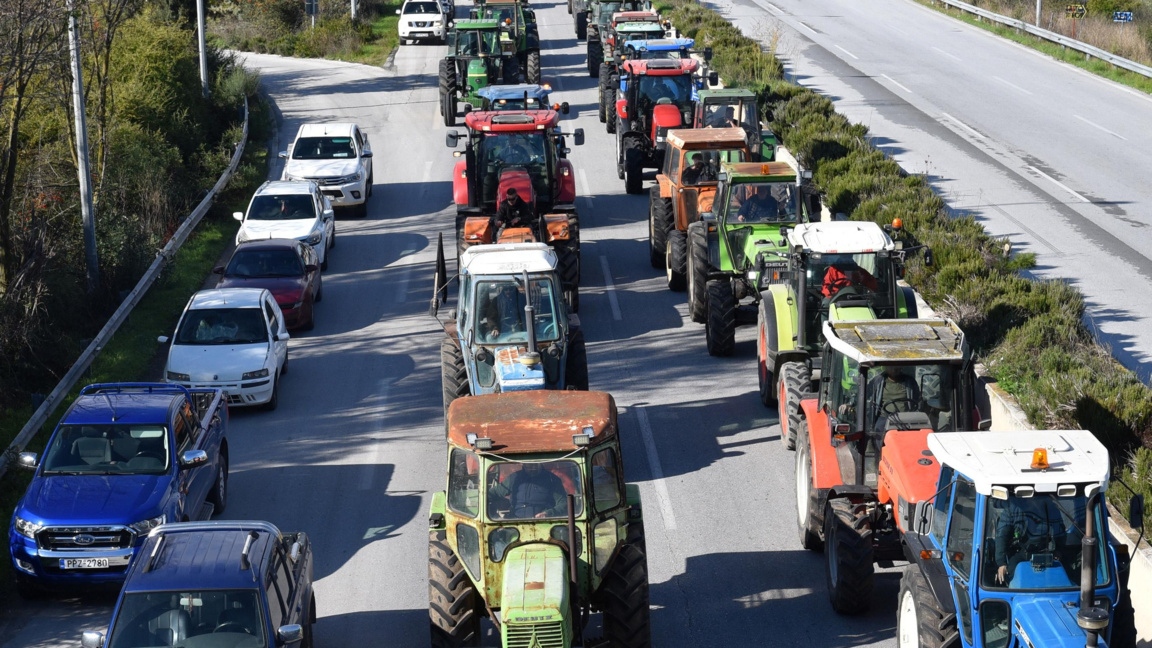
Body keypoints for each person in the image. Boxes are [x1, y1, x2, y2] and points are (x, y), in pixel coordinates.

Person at [993, 495, 1067, 586]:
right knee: (1011, 574)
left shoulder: (1050, 508)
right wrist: (1002, 563)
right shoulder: (1013, 507)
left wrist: (1058, 550)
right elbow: (1002, 535)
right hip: (1020, 551)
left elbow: (1059, 530)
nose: (1032, 500)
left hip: (1044, 552)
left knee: (1058, 576)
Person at [490, 462, 569, 519]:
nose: (532, 467)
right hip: (515, 523)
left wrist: (548, 514)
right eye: (529, 464)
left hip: (544, 523)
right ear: (523, 464)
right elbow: (494, 492)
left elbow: (563, 503)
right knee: (498, 542)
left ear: (540, 463)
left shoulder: (552, 480)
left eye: (535, 464)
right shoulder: (514, 478)